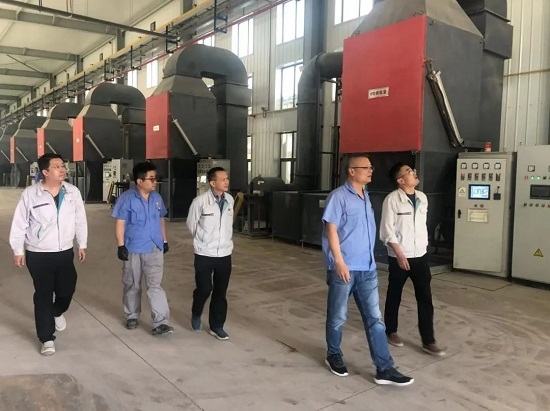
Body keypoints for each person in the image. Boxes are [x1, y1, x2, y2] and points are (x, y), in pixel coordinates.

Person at [322, 153, 414, 386]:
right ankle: (333, 354)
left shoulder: (366, 197)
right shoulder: (338, 197)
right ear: (352, 171)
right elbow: (331, 231)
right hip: (345, 268)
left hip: (367, 268)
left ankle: (384, 368)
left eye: (371, 167)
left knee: (375, 320)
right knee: (337, 317)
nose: (371, 170)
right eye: (366, 167)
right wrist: (339, 262)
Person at [9, 153, 87, 356]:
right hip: (38, 254)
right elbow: (20, 223)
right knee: (43, 294)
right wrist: (18, 250)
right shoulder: (31, 194)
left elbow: (80, 219)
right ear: (45, 172)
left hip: (64, 251)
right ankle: (46, 338)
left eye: (63, 166)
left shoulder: (72, 192)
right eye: (57, 167)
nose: (62, 170)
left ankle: (56, 311)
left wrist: (82, 243)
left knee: (67, 289)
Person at [380, 163, 445, 356]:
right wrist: (399, 254)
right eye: (409, 171)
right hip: (399, 257)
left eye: (413, 170)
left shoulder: (422, 198)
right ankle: (391, 331)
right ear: (400, 180)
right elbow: (387, 231)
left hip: (420, 256)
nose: (414, 173)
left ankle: (428, 340)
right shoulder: (392, 200)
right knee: (395, 294)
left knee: (425, 298)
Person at [111, 162, 173, 336]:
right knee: (132, 284)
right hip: (134, 248)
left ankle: (161, 322)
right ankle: (131, 315)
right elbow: (120, 223)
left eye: (155, 178)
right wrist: (120, 245)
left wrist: (164, 240)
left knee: (155, 285)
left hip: (154, 247)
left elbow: (160, 219)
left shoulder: (157, 198)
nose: (155, 182)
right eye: (151, 179)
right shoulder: (127, 199)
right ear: (139, 181)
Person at [186, 167, 234, 340]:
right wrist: (203, 240)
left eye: (227, 178)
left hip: (224, 254)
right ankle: (196, 312)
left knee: (220, 293)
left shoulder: (230, 200)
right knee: (205, 288)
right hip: (204, 253)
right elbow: (191, 224)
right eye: (223, 179)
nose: (226, 182)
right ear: (213, 183)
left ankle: (217, 326)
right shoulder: (200, 201)